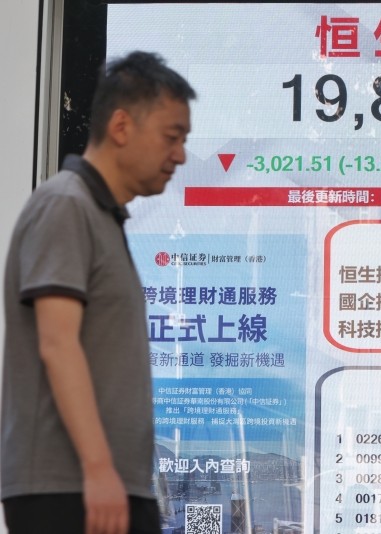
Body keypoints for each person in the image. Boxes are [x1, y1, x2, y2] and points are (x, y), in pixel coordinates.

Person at [1, 51, 195, 534]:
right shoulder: (66, 205)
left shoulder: (100, 215)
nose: (180, 155)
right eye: (172, 137)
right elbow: (57, 342)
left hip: (103, 487)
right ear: (122, 126)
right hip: (71, 491)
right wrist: (98, 468)